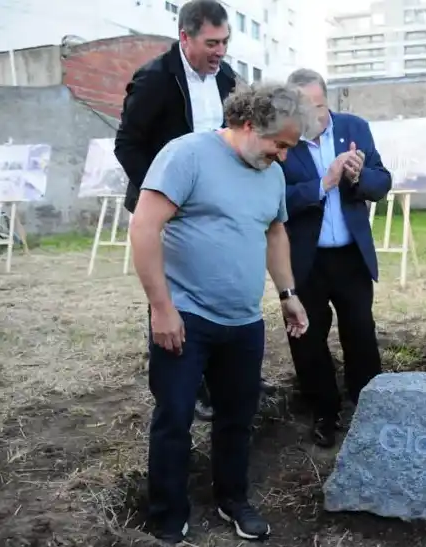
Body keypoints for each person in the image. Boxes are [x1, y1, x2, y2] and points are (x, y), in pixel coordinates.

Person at [128, 82, 310, 543]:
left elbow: (274, 233)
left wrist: (287, 292)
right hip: (186, 317)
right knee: (174, 417)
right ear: (248, 125)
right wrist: (161, 308)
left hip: (244, 321)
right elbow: (145, 226)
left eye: (290, 147)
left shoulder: (270, 173)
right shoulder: (187, 155)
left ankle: (233, 499)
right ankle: (168, 513)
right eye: (279, 144)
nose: (284, 156)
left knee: (237, 417)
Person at [115, 0, 237, 421]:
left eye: (225, 42)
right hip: (169, 211)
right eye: (211, 43)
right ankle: (184, 389)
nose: (220, 51)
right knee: (172, 299)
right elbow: (127, 145)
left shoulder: (227, 80)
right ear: (185, 37)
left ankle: (224, 376)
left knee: (215, 289)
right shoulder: (153, 81)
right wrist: (163, 195)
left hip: (214, 211)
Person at [280, 68, 392, 448]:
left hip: (350, 256)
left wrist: (359, 178)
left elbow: (383, 182)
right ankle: (324, 412)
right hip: (305, 260)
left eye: (318, 106)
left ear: (328, 101)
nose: (312, 117)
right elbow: (277, 200)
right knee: (307, 340)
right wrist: (323, 183)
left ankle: (367, 406)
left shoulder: (355, 128)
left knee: (360, 332)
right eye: (303, 109)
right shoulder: (283, 138)